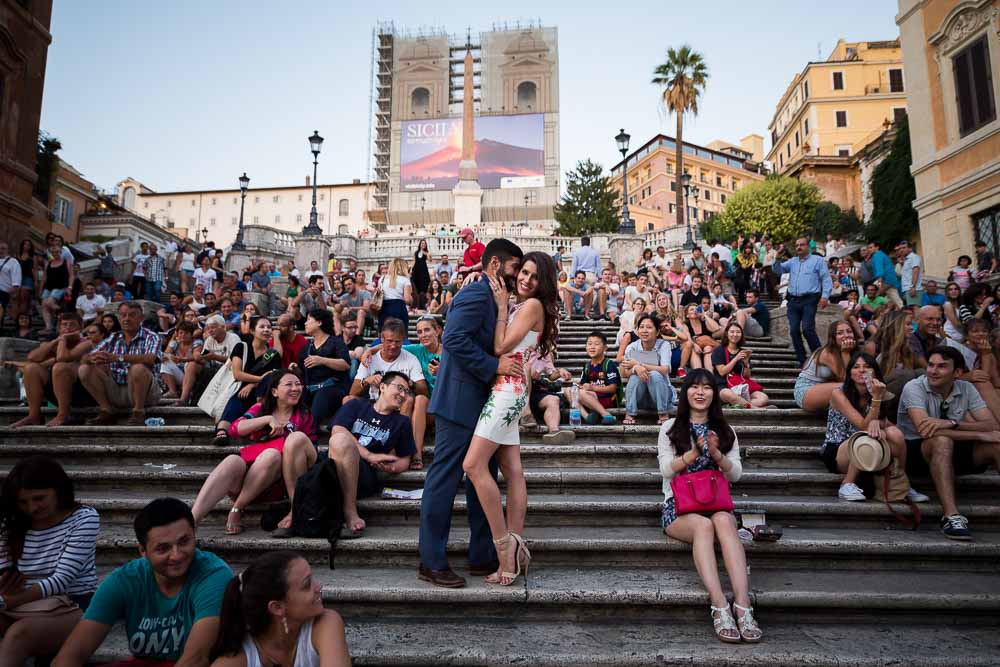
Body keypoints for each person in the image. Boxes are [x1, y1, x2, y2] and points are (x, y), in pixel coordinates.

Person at [419, 239, 525, 589]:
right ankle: (431, 560)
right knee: (444, 480)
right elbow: (454, 340)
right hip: (459, 401)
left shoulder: (494, 298)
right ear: (495, 265)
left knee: (485, 478)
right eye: (514, 268)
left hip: (482, 403)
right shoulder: (477, 293)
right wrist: (495, 366)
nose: (517, 276)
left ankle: (482, 553)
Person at [463, 251, 559, 586]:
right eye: (525, 272)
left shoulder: (530, 306)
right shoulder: (530, 305)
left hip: (507, 390)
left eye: (534, 277)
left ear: (543, 283)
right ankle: (516, 547)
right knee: (513, 471)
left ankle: (504, 548)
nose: (526, 280)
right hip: (510, 390)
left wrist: (503, 307)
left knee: (473, 465)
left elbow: (502, 346)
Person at [54, 498, 230, 667]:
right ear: (143, 551)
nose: (177, 555)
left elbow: (196, 660)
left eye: (184, 542)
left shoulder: (214, 575)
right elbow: (70, 655)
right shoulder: (124, 580)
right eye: (163, 548)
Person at [657, 370, 760, 644]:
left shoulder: (726, 431)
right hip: (679, 507)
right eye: (694, 387)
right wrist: (693, 453)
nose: (700, 392)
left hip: (715, 503)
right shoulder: (669, 429)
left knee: (725, 521)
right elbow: (666, 470)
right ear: (685, 392)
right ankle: (719, 605)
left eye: (706, 387)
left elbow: (735, 474)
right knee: (704, 526)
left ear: (715, 394)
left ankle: (742, 604)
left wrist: (715, 454)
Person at [0, 457, 99, 666]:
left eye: (39, 498)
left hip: (72, 603)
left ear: (58, 490)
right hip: (18, 603)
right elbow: (3, 568)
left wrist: (8, 600)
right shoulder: (11, 523)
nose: (32, 508)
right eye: (23, 502)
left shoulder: (83, 518)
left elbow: (61, 580)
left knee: (19, 635)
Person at [192, 370, 317, 535]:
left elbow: (311, 452)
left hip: (279, 481)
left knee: (271, 455)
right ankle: (192, 521)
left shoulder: (304, 415)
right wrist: (268, 420)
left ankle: (237, 509)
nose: (296, 388)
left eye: (298, 384)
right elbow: (236, 429)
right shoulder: (261, 408)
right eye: (289, 384)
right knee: (232, 460)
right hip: (252, 476)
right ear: (274, 391)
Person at [897, 346, 1000, 540]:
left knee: (996, 444)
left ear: (958, 373)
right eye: (931, 365)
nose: (933, 371)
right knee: (941, 440)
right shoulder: (914, 387)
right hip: (915, 453)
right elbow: (925, 430)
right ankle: (951, 516)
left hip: (954, 450)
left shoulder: (966, 388)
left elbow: (991, 424)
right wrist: (978, 435)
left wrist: (951, 423)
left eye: (942, 366)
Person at [208, 551, 349, 667]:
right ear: (277, 607)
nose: (319, 587)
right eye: (307, 585)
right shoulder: (236, 659)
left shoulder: (325, 623)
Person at [822, 352, 926, 502]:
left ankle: (901, 483)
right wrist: (876, 400)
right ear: (850, 373)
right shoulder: (838, 394)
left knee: (895, 433)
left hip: (869, 451)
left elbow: (888, 426)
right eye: (856, 367)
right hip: (839, 450)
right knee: (866, 434)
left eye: (867, 366)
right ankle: (847, 484)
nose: (862, 370)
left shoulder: (880, 392)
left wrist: (880, 422)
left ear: (875, 372)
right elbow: (863, 425)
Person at [328, 371, 416, 536]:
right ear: (382, 387)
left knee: (342, 441)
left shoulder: (401, 422)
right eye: (400, 388)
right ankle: (294, 509)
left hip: (364, 474)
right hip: (335, 463)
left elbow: (404, 460)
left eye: (407, 391)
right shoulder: (356, 405)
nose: (403, 395)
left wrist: (389, 467)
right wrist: (368, 454)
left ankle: (349, 510)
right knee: (302, 439)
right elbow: (337, 430)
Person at [78, 302, 163, 426]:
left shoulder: (151, 336)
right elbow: (85, 358)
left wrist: (118, 358)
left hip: (146, 393)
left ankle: (138, 412)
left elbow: (150, 359)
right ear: (119, 318)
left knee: (138, 368)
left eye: (132, 315)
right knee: (84, 369)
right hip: (116, 390)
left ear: (141, 318)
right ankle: (107, 410)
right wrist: (94, 358)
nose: (127, 319)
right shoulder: (113, 337)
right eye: (123, 315)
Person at [9, 313, 92, 428]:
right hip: (55, 392)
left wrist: (62, 340)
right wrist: (54, 342)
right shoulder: (55, 342)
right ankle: (34, 416)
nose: (67, 328)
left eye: (72, 325)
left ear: (80, 327)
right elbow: (32, 357)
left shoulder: (86, 343)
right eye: (64, 325)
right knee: (31, 368)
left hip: (81, 392)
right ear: (59, 328)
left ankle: (64, 414)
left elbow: (62, 358)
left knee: (60, 367)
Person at [211, 316, 282, 447]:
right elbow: (237, 374)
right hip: (238, 388)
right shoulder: (241, 347)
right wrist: (260, 379)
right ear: (252, 331)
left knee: (265, 389)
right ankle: (222, 431)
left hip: (262, 393)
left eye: (269, 327)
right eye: (262, 327)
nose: (266, 330)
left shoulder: (273, 354)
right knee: (238, 400)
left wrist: (253, 384)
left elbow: (273, 376)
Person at [773, 236, 833, 366]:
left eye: (802, 245)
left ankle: (819, 357)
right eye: (796, 245)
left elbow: (826, 279)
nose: (799, 247)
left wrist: (825, 296)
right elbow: (777, 270)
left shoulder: (818, 261)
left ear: (808, 247)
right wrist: (777, 257)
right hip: (793, 301)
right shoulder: (793, 262)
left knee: (807, 329)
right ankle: (802, 360)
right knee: (794, 330)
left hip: (810, 299)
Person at [350, 318, 426, 410]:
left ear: (403, 340)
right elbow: (353, 392)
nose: (393, 346)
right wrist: (367, 381)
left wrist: (406, 382)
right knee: (348, 400)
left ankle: (400, 424)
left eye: (397, 341)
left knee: (409, 400)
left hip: (400, 405)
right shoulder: (369, 358)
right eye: (389, 341)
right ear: (382, 338)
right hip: (374, 404)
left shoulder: (411, 359)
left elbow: (423, 391)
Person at [292, 309, 350, 428]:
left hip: (332, 388)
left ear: (319, 322)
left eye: (309, 320)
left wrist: (322, 360)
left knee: (321, 397)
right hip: (310, 389)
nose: (305, 323)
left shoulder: (335, 342)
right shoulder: (306, 347)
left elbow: (345, 364)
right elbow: (302, 373)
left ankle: (309, 432)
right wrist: (295, 368)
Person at [621, 314, 675, 425]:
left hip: (661, 396)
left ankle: (663, 413)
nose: (645, 330)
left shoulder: (664, 345)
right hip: (641, 399)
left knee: (654, 374)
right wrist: (636, 368)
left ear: (657, 332)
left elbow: (665, 370)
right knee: (636, 375)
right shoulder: (632, 347)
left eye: (649, 327)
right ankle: (630, 412)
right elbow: (624, 372)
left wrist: (639, 364)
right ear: (637, 330)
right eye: (641, 327)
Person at [793, 319, 856, 412]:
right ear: (833, 337)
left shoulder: (853, 350)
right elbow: (847, 379)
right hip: (806, 391)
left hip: (825, 388)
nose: (846, 335)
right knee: (849, 387)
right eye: (840, 333)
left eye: (849, 331)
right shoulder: (827, 353)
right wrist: (845, 353)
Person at [712, 322, 769, 408]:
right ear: (727, 334)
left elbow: (747, 376)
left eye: (738, 332)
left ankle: (737, 404)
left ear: (741, 335)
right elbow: (722, 372)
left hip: (740, 386)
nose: (735, 334)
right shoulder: (719, 350)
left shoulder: (743, 352)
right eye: (732, 332)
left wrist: (746, 363)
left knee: (763, 398)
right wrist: (735, 359)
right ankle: (755, 408)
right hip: (723, 386)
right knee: (727, 394)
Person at [576, 330, 620, 424]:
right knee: (569, 391)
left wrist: (593, 388)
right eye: (589, 344)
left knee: (581, 393)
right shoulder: (587, 366)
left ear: (605, 348)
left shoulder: (609, 364)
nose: (592, 347)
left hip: (607, 398)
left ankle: (606, 415)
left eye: (596, 344)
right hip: (591, 397)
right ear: (586, 347)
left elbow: (613, 388)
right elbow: (583, 384)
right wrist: (577, 385)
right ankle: (587, 417)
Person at [161, 322, 202, 399]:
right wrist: (167, 356)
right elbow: (166, 354)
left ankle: (183, 398)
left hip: (193, 376)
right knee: (165, 362)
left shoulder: (197, 343)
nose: (183, 335)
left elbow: (197, 357)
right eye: (181, 333)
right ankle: (173, 391)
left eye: (186, 333)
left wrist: (182, 359)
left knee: (191, 364)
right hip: (181, 375)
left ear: (191, 334)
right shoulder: (175, 343)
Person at [676, 303, 721, 371]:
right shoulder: (686, 325)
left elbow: (716, 328)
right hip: (695, 351)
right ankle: (699, 374)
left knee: (707, 347)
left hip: (708, 351)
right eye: (692, 309)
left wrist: (704, 315)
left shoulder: (704, 322)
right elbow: (688, 338)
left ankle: (710, 374)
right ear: (687, 315)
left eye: (696, 309)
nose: (695, 310)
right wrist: (694, 345)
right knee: (694, 349)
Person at [40, 246, 70, 335]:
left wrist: (69, 287)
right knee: (44, 305)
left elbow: (70, 275)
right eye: (54, 252)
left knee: (49, 302)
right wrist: (41, 288)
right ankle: (49, 327)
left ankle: (62, 311)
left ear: (61, 252)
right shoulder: (48, 263)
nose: (56, 254)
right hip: (49, 287)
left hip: (60, 286)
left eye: (58, 252)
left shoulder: (66, 262)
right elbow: (45, 277)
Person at [378, 257, 412, 332]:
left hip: (384, 308)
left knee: (385, 334)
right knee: (400, 334)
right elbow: (407, 300)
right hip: (399, 307)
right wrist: (411, 300)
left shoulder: (382, 279)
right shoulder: (405, 280)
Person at [0, 240, 21, 329]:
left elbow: (16, 281)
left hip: (4, 292)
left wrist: (13, 292)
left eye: (3, 248)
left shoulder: (13, 262)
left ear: (7, 250)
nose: (1, 250)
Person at [897, 240, 923, 307]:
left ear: (910, 248)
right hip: (907, 289)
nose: (902, 250)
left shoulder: (914, 257)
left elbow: (915, 272)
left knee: (915, 309)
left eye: (904, 248)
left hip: (913, 289)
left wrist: (913, 287)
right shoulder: (906, 260)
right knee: (911, 311)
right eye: (900, 248)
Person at [412, 239, 431, 311]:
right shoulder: (416, 252)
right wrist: (411, 270)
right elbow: (414, 261)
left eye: (424, 243)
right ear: (420, 244)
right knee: (416, 287)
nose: (423, 244)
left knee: (424, 287)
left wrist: (425, 253)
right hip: (416, 271)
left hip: (423, 271)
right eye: (422, 243)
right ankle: (416, 305)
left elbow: (430, 260)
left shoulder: (427, 253)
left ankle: (424, 304)